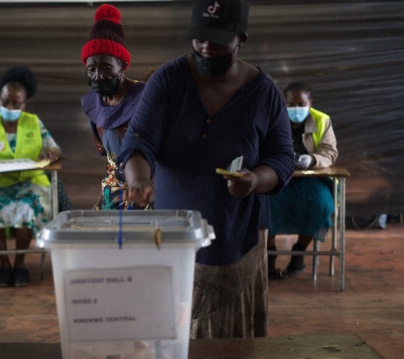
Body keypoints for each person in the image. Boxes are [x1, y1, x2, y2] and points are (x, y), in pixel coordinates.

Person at [118, 0, 294, 338]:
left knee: (232, 336)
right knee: (177, 330)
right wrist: (139, 180)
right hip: (175, 237)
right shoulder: (168, 80)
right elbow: (139, 143)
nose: (205, 48)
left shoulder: (264, 93)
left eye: (217, 41)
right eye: (199, 39)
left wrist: (254, 180)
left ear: (241, 38)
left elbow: (282, 158)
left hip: (238, 238)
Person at [0, 65, 60, 287]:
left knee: (28, 204)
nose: (9, 106)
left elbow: (56, 150)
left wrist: (50, 153)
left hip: (31, 182)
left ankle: (20, 264)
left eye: (15, 103)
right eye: (4, 101)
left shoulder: (34, 122)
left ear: (24, 104)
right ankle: (3, 264)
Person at [267, 82, 338, 279]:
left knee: (321, 204)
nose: (296, 109)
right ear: (283, 102)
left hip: (311, 179)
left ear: (310, 102)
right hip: (279, 178)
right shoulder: (273, 118)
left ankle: (299, 251)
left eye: (301, 103)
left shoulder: (322, 120)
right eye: (291, 103)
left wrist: (312, 159)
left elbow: (330, 153)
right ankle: (269, 255)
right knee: (267, 203)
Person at [80, 3, 147, 210]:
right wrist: (106, 194)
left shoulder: (145, 98)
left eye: (107, 67)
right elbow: (112, 164)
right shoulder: (93, 104)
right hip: (116, 190)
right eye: (91, 69)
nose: (98, 76)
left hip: (148, 189)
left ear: (122, 67)